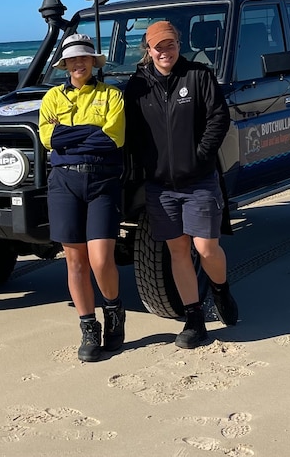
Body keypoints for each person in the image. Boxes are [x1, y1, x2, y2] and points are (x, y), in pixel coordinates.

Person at [123, 20, 238, 350]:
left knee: (205, 248)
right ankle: (194, 318)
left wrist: (200, 156)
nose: (164, 51)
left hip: (199, 180)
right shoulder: (137, 86)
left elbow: (219, 117)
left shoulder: (198, 76)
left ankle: (220, 290)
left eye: (170, 44)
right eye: (158, 46)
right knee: (178, 251)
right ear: (148, 50)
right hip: (160, 186)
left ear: (178, 44)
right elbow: (128, 131)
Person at [38, 33, 126, 362]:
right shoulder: (51, 98)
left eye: (84, 58)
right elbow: (50, 139)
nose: (79, 63)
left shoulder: (112, 95)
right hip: (64, 182)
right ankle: (89, 327)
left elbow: (112, 138)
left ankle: (114, 312)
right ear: (64, 65)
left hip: (102, 180)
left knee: (101, 260)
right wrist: (90, 130)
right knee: (75, 262)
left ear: (93, 61)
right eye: (73, 59)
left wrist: (70, 136)